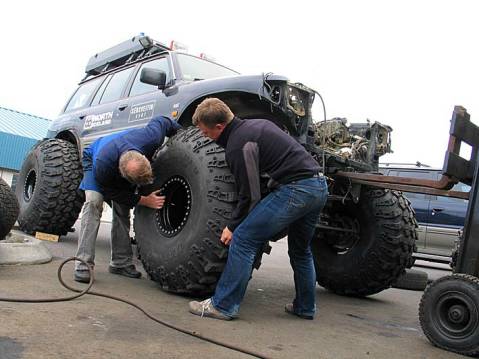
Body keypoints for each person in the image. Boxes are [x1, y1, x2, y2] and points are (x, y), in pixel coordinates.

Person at [188, 98, 328, 320]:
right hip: (318, 187)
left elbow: (250, 195)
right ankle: (305, 307)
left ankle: (223, 306)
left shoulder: (236, 145)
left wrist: (232, 226)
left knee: (243, 239)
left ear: (219, 127)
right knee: (301, 251)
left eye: (206, 133)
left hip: (297, 190)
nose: (206, 137)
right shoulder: (257, 125)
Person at [74, 115, 181, 283]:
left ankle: (120, 263)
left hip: (119, 154)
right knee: (94, 203)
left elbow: (164, 120)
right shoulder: (104, 166)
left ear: (144, 157)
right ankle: (83, 264)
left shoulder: (151, 137)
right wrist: (144, 200)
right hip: (93, 157)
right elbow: (113, 193)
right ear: (123, 175)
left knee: (122, 211)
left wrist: (183, 134)